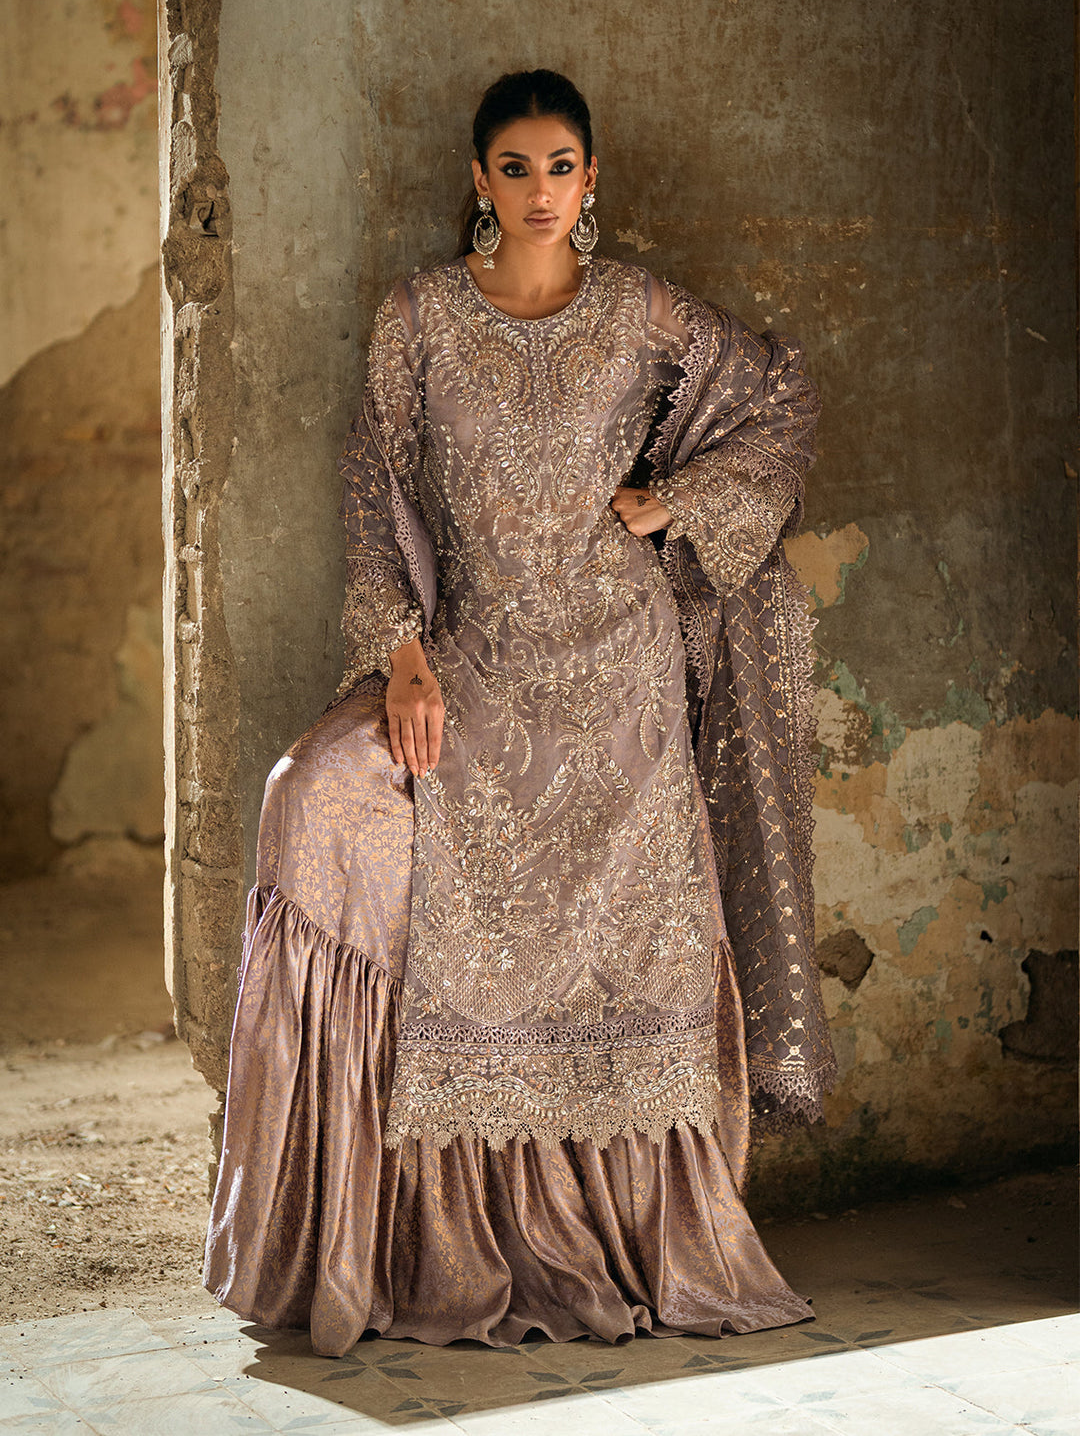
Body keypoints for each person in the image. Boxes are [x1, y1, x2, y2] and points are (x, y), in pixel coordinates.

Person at [203, 69, 836, 1356]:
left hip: (620, 679)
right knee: (309, 800)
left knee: (629, 943)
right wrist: (402, 657)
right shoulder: (419, 318)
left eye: (560, 167)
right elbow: (373, 494)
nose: (539, 191)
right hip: (474, 658)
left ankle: (631, 1231)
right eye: (514, 167)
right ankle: (367, 1236)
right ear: (478, 179)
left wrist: (675, 503)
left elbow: (782, 398)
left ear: (590, 179)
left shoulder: (644, 310)